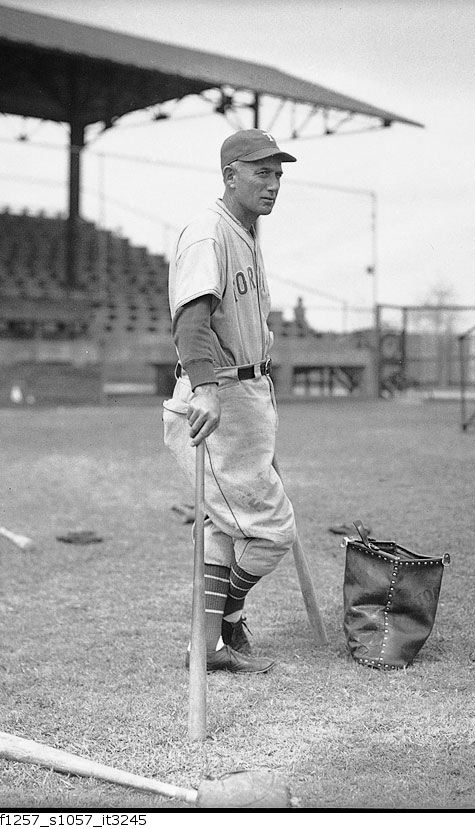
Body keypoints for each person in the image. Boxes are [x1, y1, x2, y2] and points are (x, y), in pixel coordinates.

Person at [162, 129, 299, 675]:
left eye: (279, 175)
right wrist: (206, 389)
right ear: (230, 175)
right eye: (262, 173)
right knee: (273, 531)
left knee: (223, 528)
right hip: (216, 399)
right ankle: (224, 619)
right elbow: (191, 324)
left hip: (249, 393)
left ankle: (212, 643)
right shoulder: (207, 234)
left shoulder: (247, 231)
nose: (273, 185)